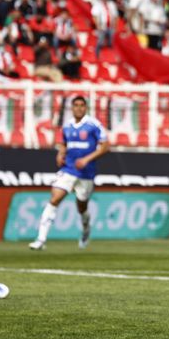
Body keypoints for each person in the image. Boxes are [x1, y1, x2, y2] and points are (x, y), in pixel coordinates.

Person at [29, 96, 109, 251]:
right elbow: (63, 144)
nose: (78, 108)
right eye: (76, 105)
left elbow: (105, 147)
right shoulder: (67, 126)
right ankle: (40, 239)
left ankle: (86, 230)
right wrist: (60, 154)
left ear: (86, 108)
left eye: (81, 105)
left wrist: (86, 159)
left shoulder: (93, 125)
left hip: (86, 173)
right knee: (55, 198)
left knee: (81, 207)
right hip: (69, 169)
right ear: (71, 108)